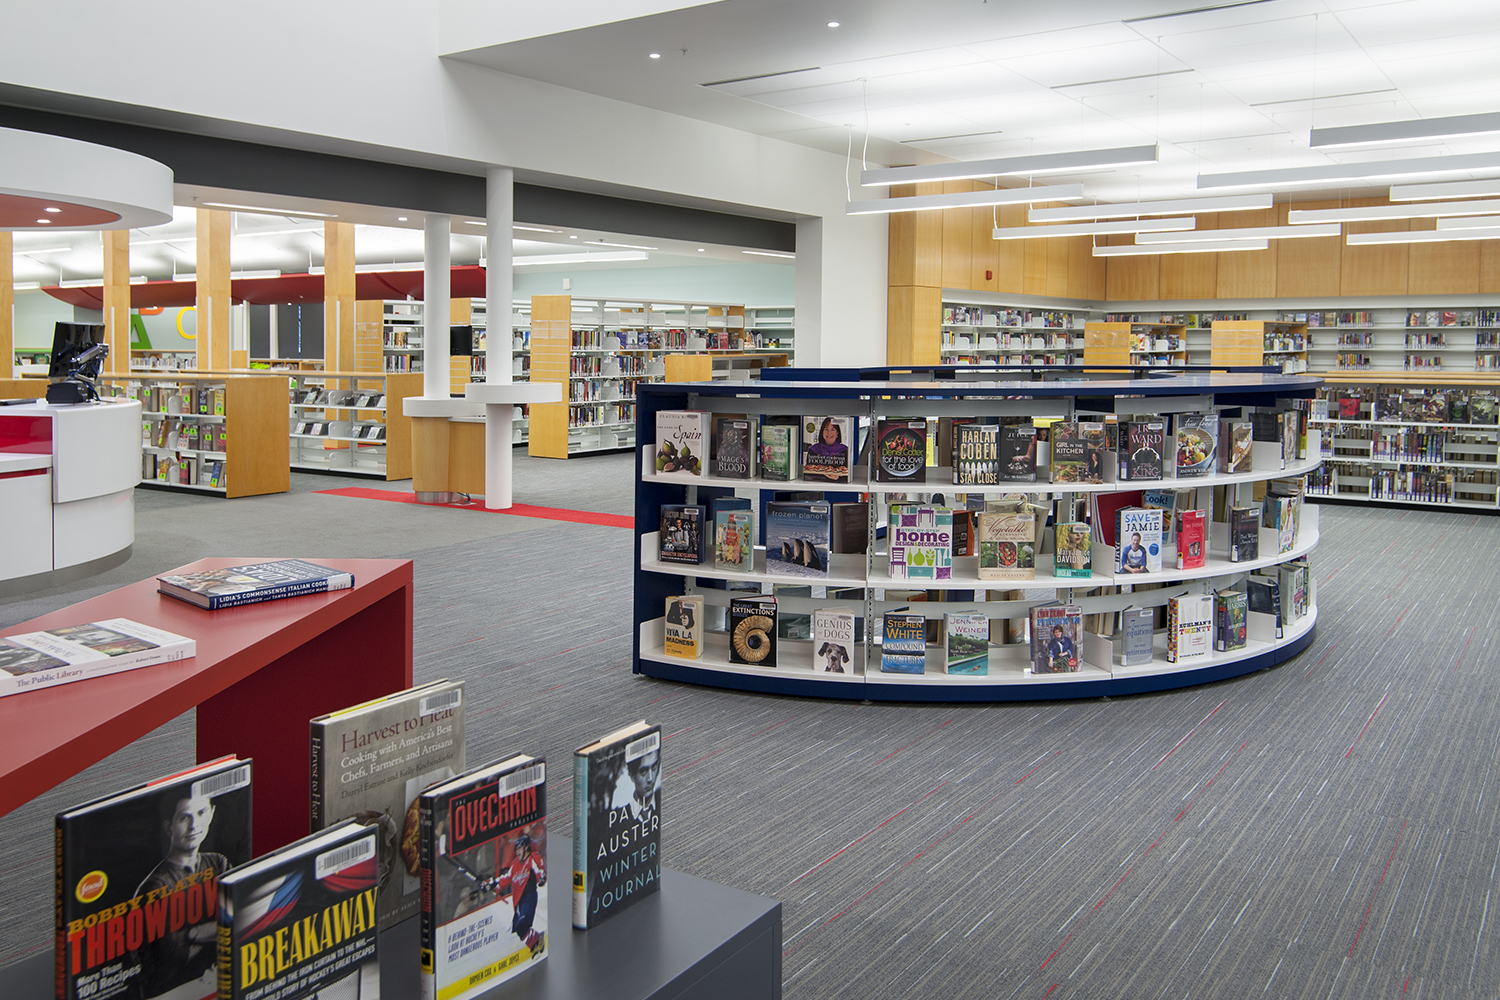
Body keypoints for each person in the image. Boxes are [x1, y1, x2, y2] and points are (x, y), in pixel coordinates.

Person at [134, 793, 230, 1000]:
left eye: (201, 812)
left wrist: (188, 935)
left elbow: (240, 919)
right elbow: (168, 958)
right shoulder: (154, 887)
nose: (194, 825)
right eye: (184, 817)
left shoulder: (218, 863)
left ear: (212, 814)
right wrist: (217, 930)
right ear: (169, 827)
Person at [504, 833, 546, 957]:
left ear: (526, 847)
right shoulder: (515, 864)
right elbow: (505, 879)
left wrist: (542, 878)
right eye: (516, 849)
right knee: (519, 929)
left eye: (519, 848)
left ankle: (536, 945)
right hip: (518, 901)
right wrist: (491, 883)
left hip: (529, 896)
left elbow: (540, 872)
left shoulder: (533, 858)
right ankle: (537, 941)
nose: (517, 852)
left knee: (523, 924)